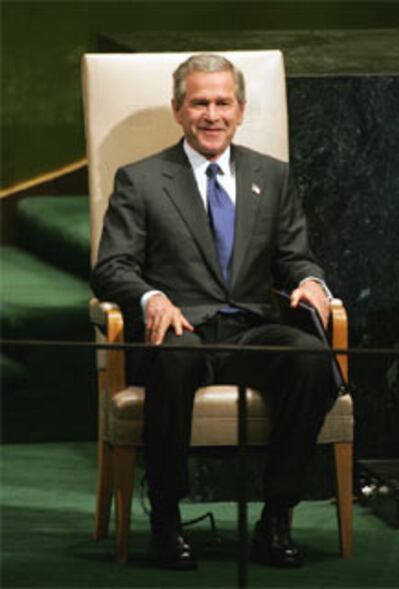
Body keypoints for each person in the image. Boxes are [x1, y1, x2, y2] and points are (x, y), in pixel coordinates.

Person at [91, 53, 337, 570]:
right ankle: (165, 521)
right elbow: (111, 266)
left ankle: (275, 516)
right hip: (179, 328)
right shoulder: (141, 179)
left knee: (311, 357)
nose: (212, 114)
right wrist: (151, 298)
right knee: (174, 359)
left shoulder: (270, 176)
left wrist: (311, 282)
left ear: (241, 110)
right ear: (178, 110)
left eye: (223, 102)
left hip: (250, 330)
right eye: (199, 103)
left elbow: (294, 257)